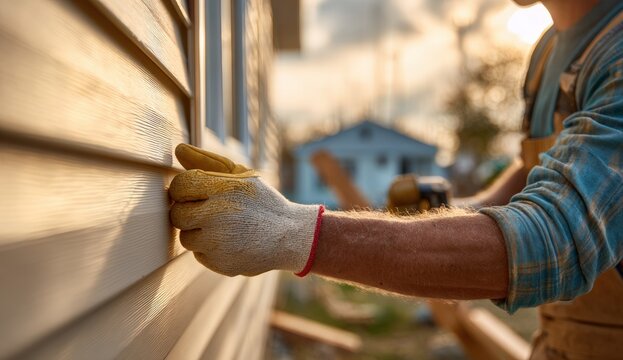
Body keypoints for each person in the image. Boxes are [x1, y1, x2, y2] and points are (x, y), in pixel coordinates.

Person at [169, 0, 623, 358]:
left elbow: (555, 242)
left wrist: (291, 232)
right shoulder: (548, 53)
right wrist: (462, 211)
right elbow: (535, 172)